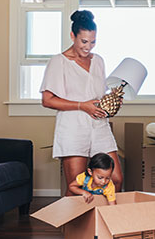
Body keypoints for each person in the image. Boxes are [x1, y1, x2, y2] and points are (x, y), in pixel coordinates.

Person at [40, 10, 123, 196]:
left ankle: (99, 223)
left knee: (116, 179)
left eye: (93, 42)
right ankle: (71, 226)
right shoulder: (58, 62)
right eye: (84, 41)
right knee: (77, 186)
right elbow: (47, 100)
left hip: (99, 127)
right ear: (72, 36)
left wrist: (112, 101)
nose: (88, 47)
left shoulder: (98, 61)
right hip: (73, 127)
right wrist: (82, 105)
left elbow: (97, 95)